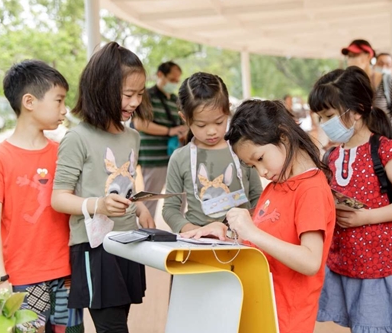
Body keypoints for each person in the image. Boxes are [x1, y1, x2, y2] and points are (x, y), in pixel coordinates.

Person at [183, 99, 335, 333]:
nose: (261, 171)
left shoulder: (311, 189)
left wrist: (251, 231)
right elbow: (264, 243)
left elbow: (310, 261)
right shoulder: (276, 185)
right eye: (252, 166)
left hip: (285, 320)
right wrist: (228, 235)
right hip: (259, 307)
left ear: (283, 136)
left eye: (260, 158)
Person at [308, 66, 392, 333]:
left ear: (358, 110)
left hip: (381, 264)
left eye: (329, 115)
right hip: (345, 263)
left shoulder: (384, 149)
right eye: (321, 117)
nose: (324, 123)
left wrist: (366, 217)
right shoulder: (331, 156)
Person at [0, 61, 83, 332]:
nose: (64, 110)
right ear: (29, 101)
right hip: (21, 279)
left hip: (66, 273)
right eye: (58, 100)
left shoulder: (63, 153)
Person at [52, 42, 154, 332]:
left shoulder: (132, 137)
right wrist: (98, 204)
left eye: (140, 94)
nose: (135, 102)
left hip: (129, 242)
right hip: (94, 247)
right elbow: (59, 198)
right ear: (101, 88)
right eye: (128, 94)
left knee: (119, 323)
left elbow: (124, 187)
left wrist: (140, 205)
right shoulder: (77, 138)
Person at [162, 72, 262, 235]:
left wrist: (253, 222)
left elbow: (258, 197)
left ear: (228, 110)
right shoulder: (180, 158)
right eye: (201, 125)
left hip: (242, 241)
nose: (211, 131)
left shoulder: (242, 149)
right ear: (185, 118)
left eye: (219, 122)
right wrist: (196, 231)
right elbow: (170, 209)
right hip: (199, 242)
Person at [132, 61, 188, 219]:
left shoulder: (175, 100)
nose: (174, 83)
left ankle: (179, 232)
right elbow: (139, 123)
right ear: (160, 75)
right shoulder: (146, 96)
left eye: (177, 81)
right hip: (153, 157)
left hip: (175, 157)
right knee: (150, 198)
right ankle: (146, 233)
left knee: (179, 197)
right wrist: (169, 131)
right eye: (172, 79)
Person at [342, 39, 392, 139]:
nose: (350, 59)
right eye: (349, 56)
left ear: (368, 56)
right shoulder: (349, 85)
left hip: (386, 142)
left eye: (355, 55)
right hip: (360, 144)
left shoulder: (386, 80)